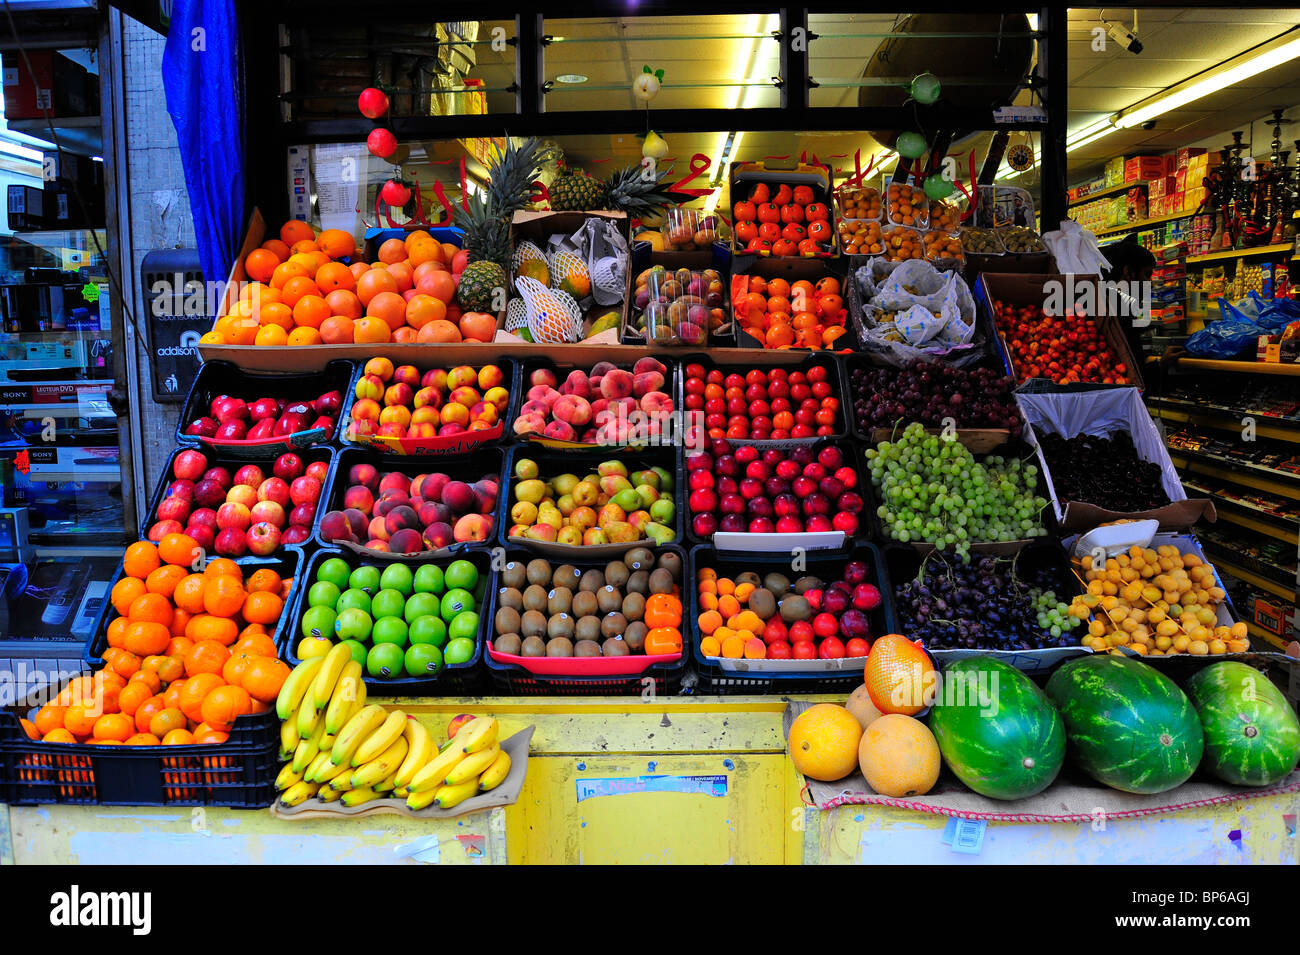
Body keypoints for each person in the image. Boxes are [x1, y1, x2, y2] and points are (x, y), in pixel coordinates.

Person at [1100, 234, 1169, 393]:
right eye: (1147, 274)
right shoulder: (1118, 308)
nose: (1150, 283)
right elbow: (1132, 373)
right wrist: (1161, 365)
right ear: (1128, 272)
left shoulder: (1101, 299)